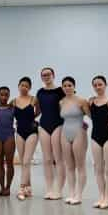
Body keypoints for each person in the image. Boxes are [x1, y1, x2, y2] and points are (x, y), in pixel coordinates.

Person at [36, 67, 66, 200]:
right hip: (43, 126)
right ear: (41, 77)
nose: (46, 76)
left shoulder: (60, 91)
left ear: (53, 75)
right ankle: (49, 188)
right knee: (47, 159)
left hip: (58, 125)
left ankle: (58, 190)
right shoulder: (40, 92)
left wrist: (77, 121)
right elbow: (37, 111)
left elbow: (67, 106)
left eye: (48, 74)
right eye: (43, 75)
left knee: (58, 159)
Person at [59, 77, 90, 205]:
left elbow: (92, 116)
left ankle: (79, 195)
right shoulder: (61, 102)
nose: (67, 88)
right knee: (69, 166)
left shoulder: (82, 101)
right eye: (65, 85)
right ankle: (71, 193)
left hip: (79, 132)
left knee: (80, 165)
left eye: (69, 85)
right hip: (65, 132)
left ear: (74, 86)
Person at [89, 75, 108, 209]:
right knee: (98, 168)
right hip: (95, 136)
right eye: (95, 85)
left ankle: (107, 198)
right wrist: (82, 123)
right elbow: (83, 113)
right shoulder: (90, 101)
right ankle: (101, 196)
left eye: (100, 84)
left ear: (105, 85)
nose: (97, 87)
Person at [12, 77, 39, 201]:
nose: (24, 87)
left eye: (27, 86)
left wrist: (33, 121)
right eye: (22, 85)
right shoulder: (13, 101)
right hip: (20, 132)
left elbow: (38, 112)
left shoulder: (34, 100)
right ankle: (29, 187)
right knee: (23, 161)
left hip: (32, 131)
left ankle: (22, 188)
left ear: (29, 88)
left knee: (27, 161)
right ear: (18, 86)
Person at [0, 87, 15, 196]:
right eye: (1, 94)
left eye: (6, 95)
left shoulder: (12, 108)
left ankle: (8, 188)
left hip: (9, 136)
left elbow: (23, 117)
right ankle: (2, 187)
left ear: (9, 96)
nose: (4, 97)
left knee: (9, 163)